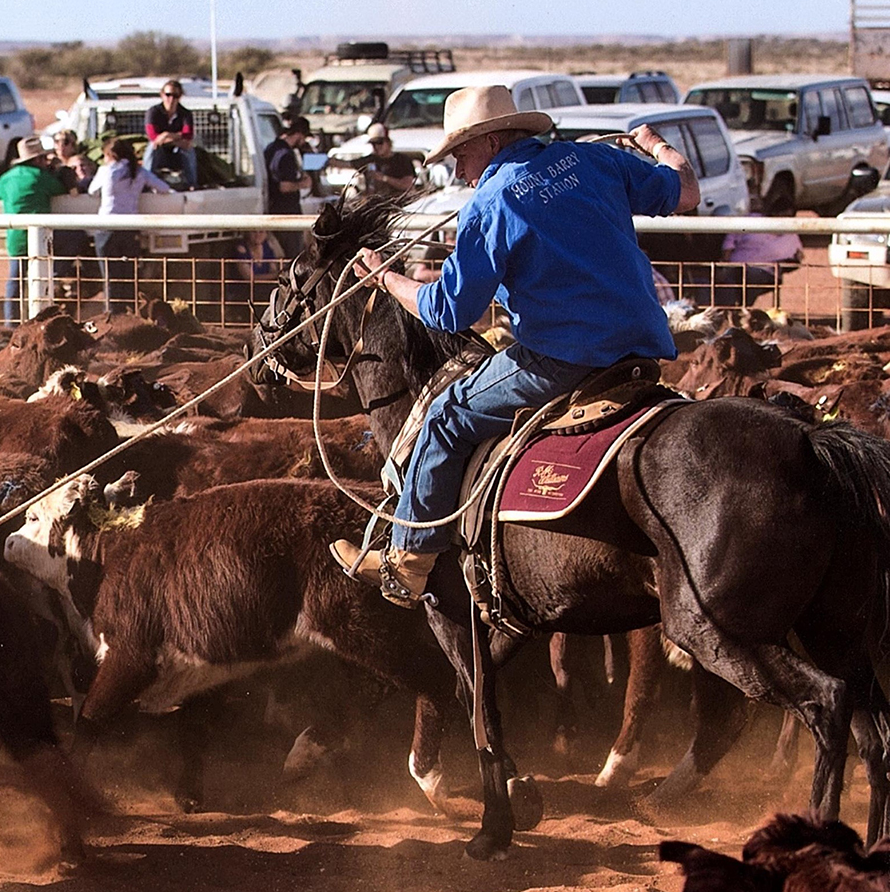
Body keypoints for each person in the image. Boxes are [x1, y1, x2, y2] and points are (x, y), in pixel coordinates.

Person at [329, 84, 700, 607]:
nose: (459, 170)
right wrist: (656, 145)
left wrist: (388, 280)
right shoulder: (594, 159)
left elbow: (450, 311)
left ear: (494, 140)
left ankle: (406, 564)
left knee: (446, 415)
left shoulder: (491, 202)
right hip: (641, 346)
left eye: (461, 153)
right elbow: (686, 192)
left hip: (564, 358)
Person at [0, 134, 70, 326]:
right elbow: (61, 189)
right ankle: (44, 320)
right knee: (45, 276)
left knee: (15, 281)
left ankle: (11, 323)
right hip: (42, 238)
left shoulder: (8, 177)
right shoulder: (41, 177)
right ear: (37, 159)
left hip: (16, 237)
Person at [89, 136, 173, 315]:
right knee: (129, 275)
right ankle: (130, 313)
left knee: (110, 276)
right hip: (130, 227)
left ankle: (112, 314)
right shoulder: (139, 171)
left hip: (107, 227)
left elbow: (92, 190)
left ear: (110, 155)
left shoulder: (106, 170)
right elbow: (164, 188)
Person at [50, 130, 97, 300]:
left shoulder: (82, 169)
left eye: (66, 142)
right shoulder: (50, 168)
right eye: (57, 141)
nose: (61, 146)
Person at [715, 218, 802, 307]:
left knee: (752, 276)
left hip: (764, 271)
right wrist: (725, 263)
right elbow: (728, 244)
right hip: (736, 265)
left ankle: (742, 309)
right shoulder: (750, 220)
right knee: (725, 277)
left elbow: (797, 259)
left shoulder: (791, 236)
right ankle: (726, 311)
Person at [263, 115, 313, 258]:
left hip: (274, 211)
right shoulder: (285, 155)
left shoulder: (271, 148)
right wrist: (303, 184)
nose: (303, 142)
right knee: (293, 256)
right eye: (304, 137)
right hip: (287, 212)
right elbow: (283, 186)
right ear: (298, 134)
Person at [330, 122, 418, 200]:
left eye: (379, 142)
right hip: (376, 205)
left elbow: (407, 185)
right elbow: (347, 164)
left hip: (398, 204)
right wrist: (325, 160)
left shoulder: (402, 160)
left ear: (388, 142)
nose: (376, 146)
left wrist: (384, 178)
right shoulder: (370, 160)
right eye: (373, 143)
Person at [143, 80, 198, 189]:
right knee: (151, 148)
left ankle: (192, 184)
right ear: (162, 95)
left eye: (175, 96)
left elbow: (188, 135)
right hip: (160, 151)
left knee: (189, 149)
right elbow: (153, 136)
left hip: (178, 151)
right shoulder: (153, 112)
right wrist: (177, 136)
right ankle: (147, 184)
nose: (171, 99)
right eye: (168, 95)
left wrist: (166, 135)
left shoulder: (186, 114)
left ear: (180, 96)